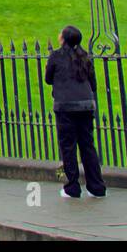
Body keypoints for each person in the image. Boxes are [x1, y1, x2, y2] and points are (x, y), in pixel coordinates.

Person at [45, 25, 106, 199]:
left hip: (65, 107)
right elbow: (93, 84)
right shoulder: (85, 56)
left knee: (68, 147)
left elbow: (48, 79)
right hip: (86, 105)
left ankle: (72, 187)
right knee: (88, 146)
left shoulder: (56, 56)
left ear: (63, 38)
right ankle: (97, 186)